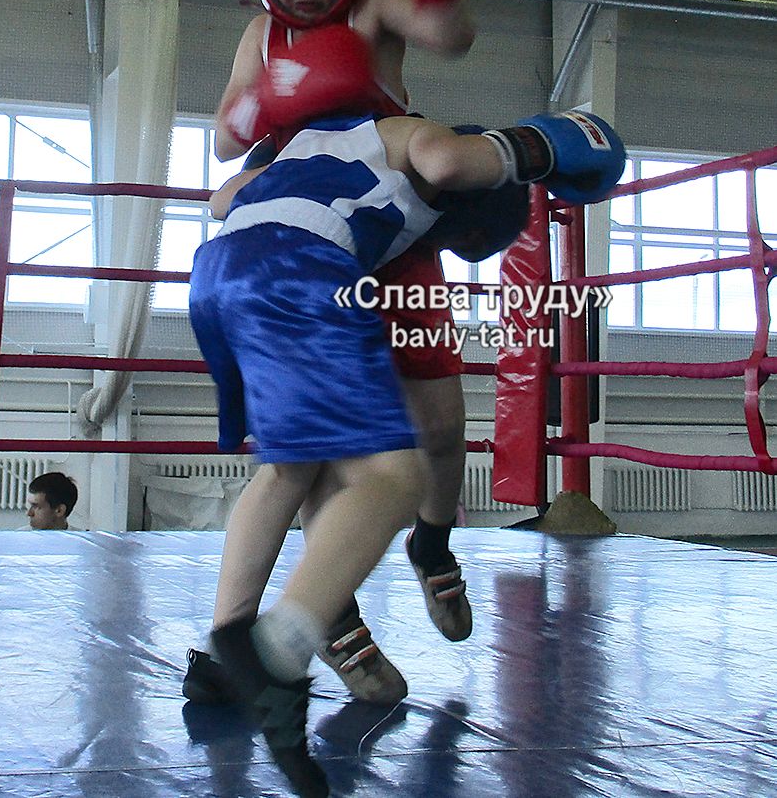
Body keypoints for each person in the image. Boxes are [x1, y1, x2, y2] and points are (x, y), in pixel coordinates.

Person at [188, 92, 626, 797]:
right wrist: (543, 146)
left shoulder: (311, 145)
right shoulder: (418, 139)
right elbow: (453, 158)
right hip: (300, 270)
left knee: (284, 469)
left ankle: (224, 647)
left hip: (218, 274)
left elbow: (219, 200)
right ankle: (278, 648)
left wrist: (274, 167)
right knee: (392, 479)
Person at [184, 0, 481, 709]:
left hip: (391, 218)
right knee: (312, 455)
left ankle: (433, 540)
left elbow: (452, 35)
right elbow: (222, 139)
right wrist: (273, 99)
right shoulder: (262, 37)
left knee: (438, 424)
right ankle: (333, 624)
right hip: (303, 236)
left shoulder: (375, 1)